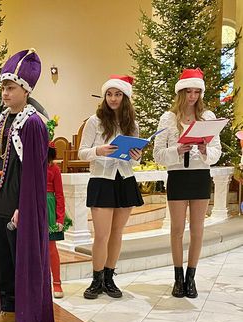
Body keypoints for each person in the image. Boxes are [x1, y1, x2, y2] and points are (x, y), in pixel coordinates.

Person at [0, 49, 55, 322]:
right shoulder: (3, 119)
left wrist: (24, 207)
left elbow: (34, 172)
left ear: (26, 89)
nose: (5, 93)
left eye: (10, 87)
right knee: (4, 262)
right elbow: (2, 159)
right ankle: (9, 310)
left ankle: (30, 319)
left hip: (18, 206)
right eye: (3, 87)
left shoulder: (33, 123)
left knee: (23, 262)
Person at [153, 68, 221, 298]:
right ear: (181, 92)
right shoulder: (168, 118)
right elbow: (157, 154)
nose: (192, 96)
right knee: (177, 229)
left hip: (200, 175)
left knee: (198, 229)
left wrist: (204, 150)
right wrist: (177, 150)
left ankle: (191, 278)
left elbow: (216, 151)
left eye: (196, 92)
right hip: (178, 176)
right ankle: (178, 278)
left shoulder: (208, 117)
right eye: (188, 91)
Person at [78, 75, 144, 300]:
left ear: (125, 97)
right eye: (109, 94)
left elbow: (134, 160)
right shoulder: (94, 121)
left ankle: (109, 278)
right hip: (102, 180)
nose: (113, 98)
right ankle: (96, 280)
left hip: (125, 180)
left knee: (117, 233)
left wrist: (136, 155)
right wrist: (99, 150)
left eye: (117, 94)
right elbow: (82, 152)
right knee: (101, 235)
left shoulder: (132, 124)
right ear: (104, 96)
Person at [47, 141, 65, 298]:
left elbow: (59, 195)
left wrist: (60, 218)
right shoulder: (30, 167)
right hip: (33, 206)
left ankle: (57, 283)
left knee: (51, 248)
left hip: (49, 209)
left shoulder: (55, 169)